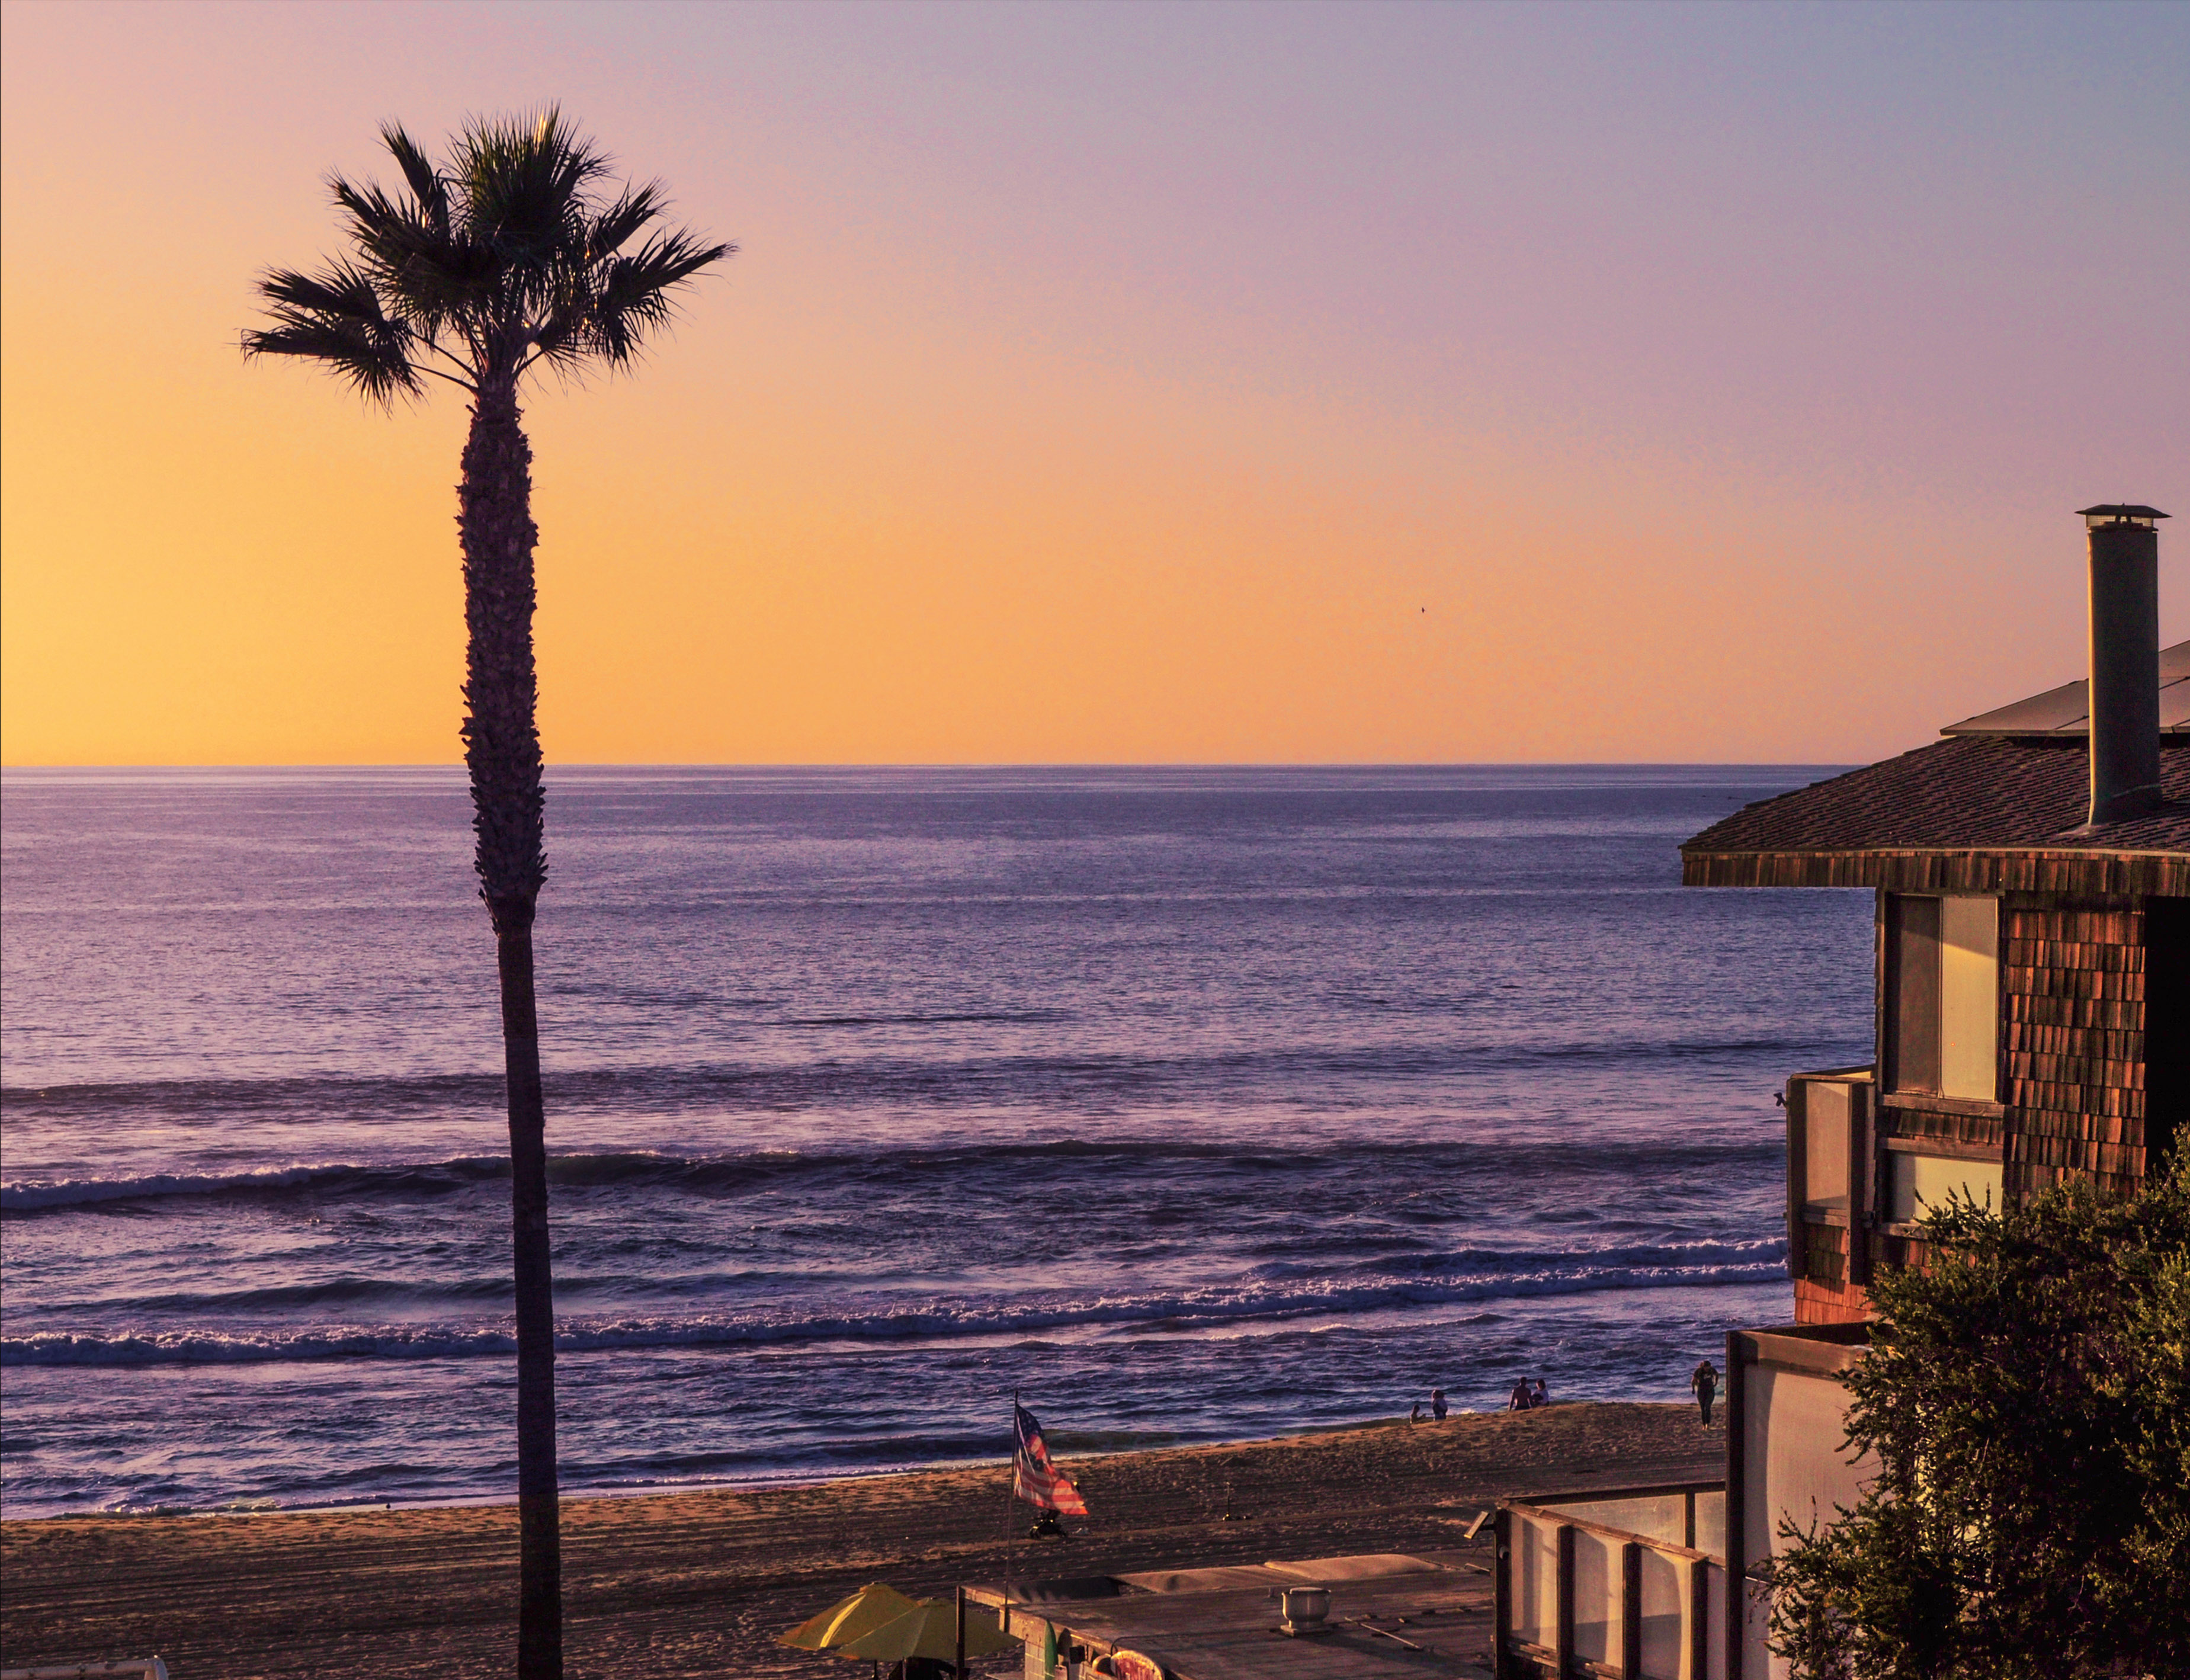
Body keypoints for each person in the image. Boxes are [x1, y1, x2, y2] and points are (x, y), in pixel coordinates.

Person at [1692, 1359, 1720, 1428]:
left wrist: (1716, 1383)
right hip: (1701, 1392)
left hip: (1710, 1391)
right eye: (1705, 1367)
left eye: (1708, 1367)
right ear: (1703, 1367)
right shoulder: (1698, 1371)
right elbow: (1693, 1381)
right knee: (1703, 1409)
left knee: (1708, 1407)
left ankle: (1708, 1424)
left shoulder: (1712, 1370)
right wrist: (1693, 1389)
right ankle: (1704, 1425)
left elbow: (1717, 1375)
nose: (1707, 1368)